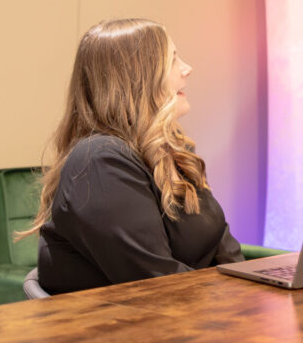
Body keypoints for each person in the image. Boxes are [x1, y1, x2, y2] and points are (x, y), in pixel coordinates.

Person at [20, 18, 243, 294]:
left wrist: (251, 289)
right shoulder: (98, 162)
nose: (187, 69)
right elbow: (158, 283)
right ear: (137, 79)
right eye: (172, 60)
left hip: (193, 316)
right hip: (126, 329)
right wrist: (236, 301)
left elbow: (221, 243)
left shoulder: (173, 149)